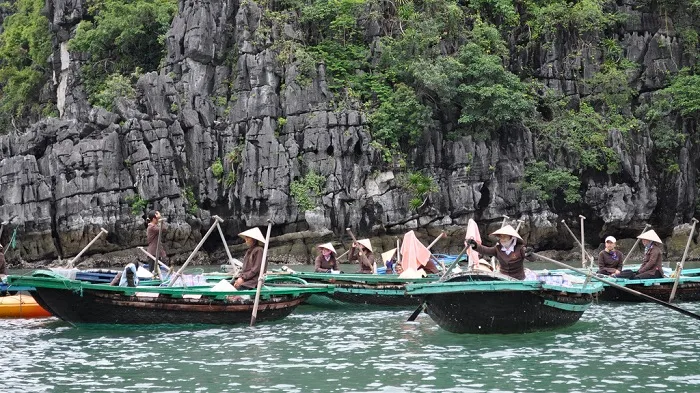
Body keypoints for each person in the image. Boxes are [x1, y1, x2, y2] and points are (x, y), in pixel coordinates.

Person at [466, 225, 534, 280]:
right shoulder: (497, 249)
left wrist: (529, 253)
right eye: (501, 237)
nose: (502, 239)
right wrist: (474, 245)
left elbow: (532, 259)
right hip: (503, 279)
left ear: (512, 238)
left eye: (505, 237)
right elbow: (485, 250)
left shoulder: (520, 248)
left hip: (519, 279)